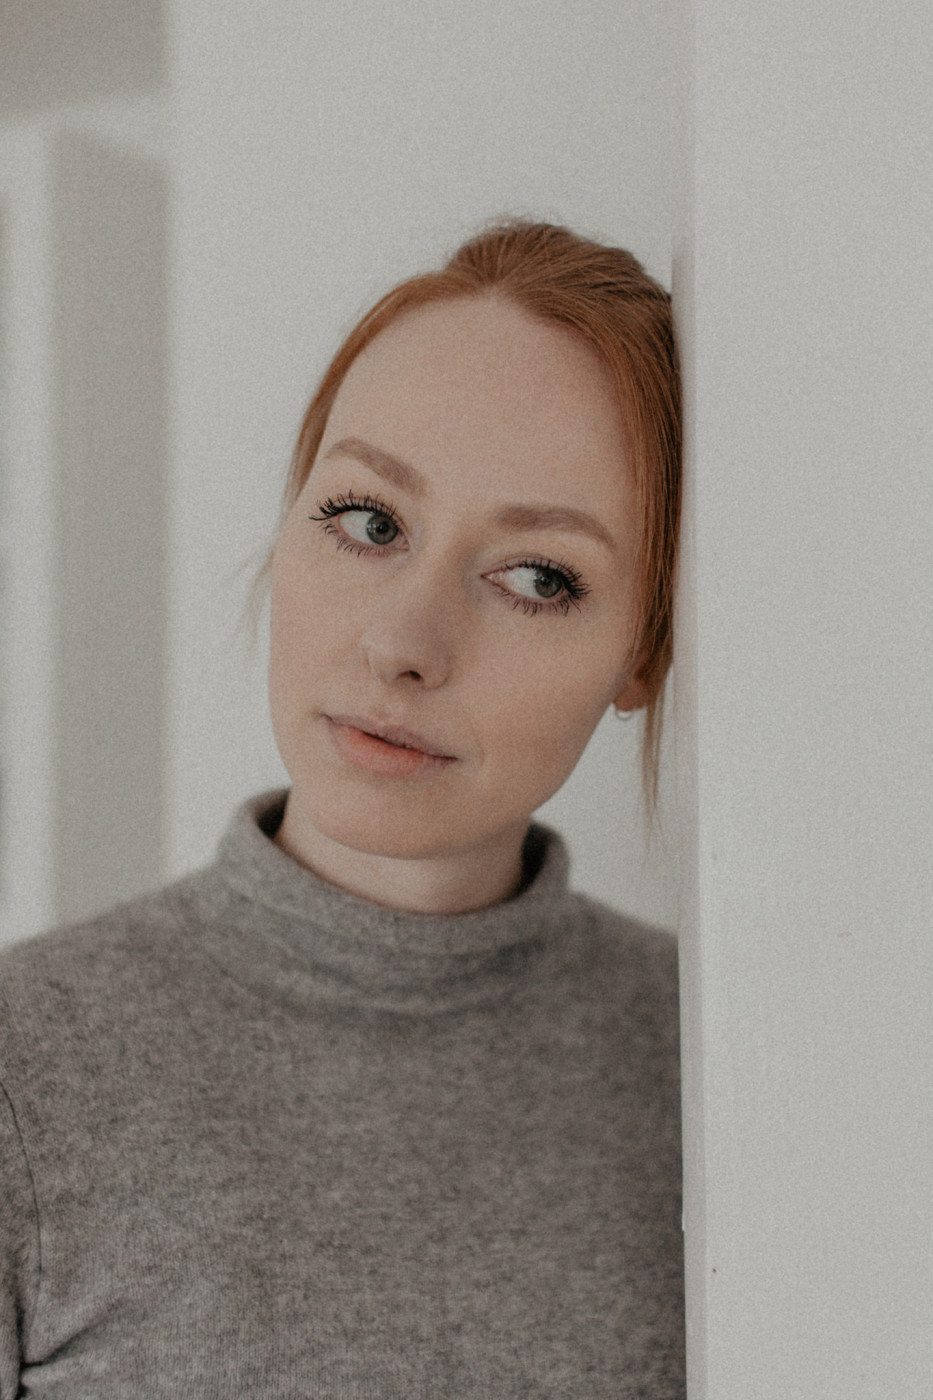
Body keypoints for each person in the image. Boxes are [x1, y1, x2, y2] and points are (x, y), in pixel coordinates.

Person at [0, 220, 684, 1397]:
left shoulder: (716, 1060)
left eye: (538, 575)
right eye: (369, 521)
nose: (403, 641)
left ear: (645, 651)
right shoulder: (28, 1067)